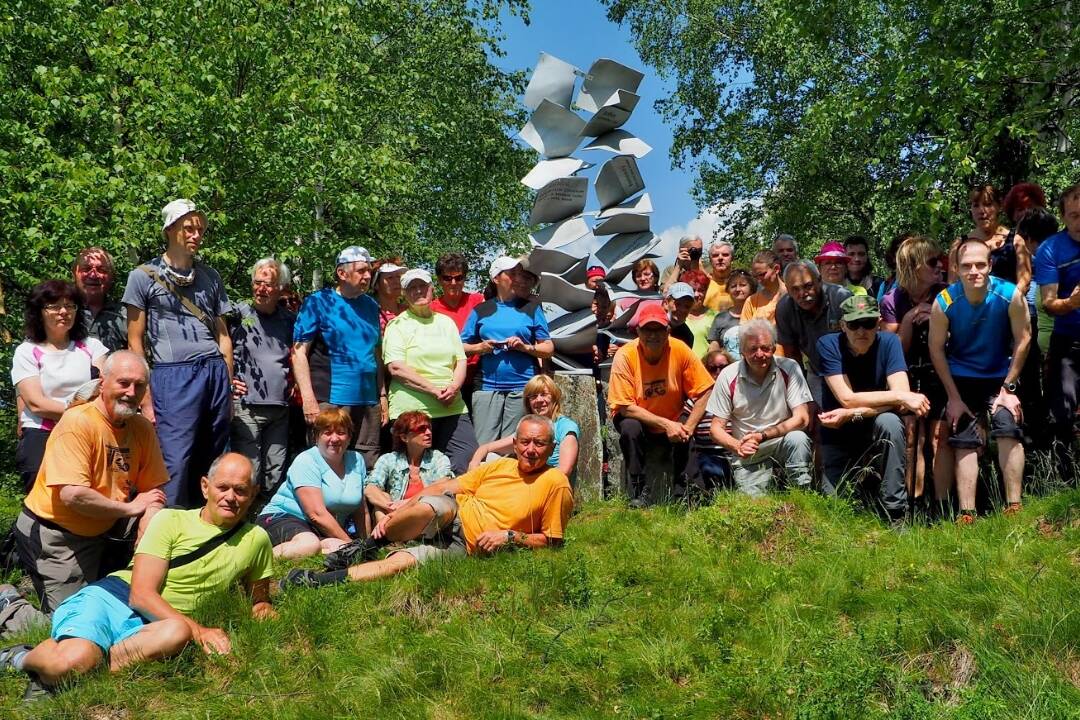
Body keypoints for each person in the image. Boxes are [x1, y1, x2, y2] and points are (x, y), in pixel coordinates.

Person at [1, 453, 274, 697]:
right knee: (73, 662)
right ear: (205, 487)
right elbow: (141, 595)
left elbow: (259, 600)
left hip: (159, 626)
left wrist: (265, 612)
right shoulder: (171, 521)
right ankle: (19, 657)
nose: (230, 497)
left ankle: (80, 666)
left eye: (240, 490)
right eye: (222, 487)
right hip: (114, 598)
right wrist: (201, 632)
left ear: (252, 494)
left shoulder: (257, 539)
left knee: (178, 632)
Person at [282, 415, 573, 587]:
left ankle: (314, 581)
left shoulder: (555, 483)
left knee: (401, 564)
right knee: (430, 504)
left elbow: (553, 541)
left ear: (551, 447)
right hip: (454, 514)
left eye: (539, 443)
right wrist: (403, 510)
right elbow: (447, 486)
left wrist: (510, 536)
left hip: (469, 544)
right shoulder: (502, 465)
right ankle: (367, 547)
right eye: (525, 442)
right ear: (515, 442)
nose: (530, 450)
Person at [14, 351, 167, 612]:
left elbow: (154, 489)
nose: (131, 392)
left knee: (165, 522)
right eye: (123, 383)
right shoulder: (78, 422)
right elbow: (74, 496)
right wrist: (132, 508)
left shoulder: (141, 427)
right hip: (57, 534)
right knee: (68, 620)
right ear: (102, 383)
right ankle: (8, 604)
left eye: (139, 385)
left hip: (105, 527)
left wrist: (147, 525)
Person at [123, 198, 233, 507]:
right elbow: (135, 340)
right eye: (189, 228)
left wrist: (227, 385)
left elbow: (223, 336)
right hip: (173, 374)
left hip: (213, 371)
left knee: (213, 455)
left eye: (200, 229)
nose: (196, 235)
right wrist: (145, 399)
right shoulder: (142, 276)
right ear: (170, 229)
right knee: (175, 458)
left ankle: (207, 529)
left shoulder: (210, 276)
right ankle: (163, 536)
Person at [930, 238, 1030, 521]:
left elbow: (1024, 338)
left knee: (1007, 423)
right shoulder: (945, 301)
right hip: (960, 376)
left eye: (980, 264)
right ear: (956, 269)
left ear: (990, 265)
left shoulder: (1009, 295)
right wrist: (953, 397)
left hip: (1000, 375)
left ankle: (1013, 505)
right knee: (962, 433)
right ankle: (967, 512)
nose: (974, 271)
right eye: (966, 266)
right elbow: (935, 349)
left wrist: (1009, 388)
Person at [816, 295, 930, 523]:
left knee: (890, 422)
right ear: (842, 326)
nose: (861, 331)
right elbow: (847, 398)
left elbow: (896, 405)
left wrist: (854, 412)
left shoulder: (890, 342)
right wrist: (898, 395)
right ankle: (865, 491)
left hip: (874, 426)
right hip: (837, 430)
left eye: (868, 323)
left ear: (878, 322)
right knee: (836, 507)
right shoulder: (827, 345)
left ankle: (895, 511)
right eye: (854, 324)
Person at [608, 303, 715, 507]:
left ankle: (689, 495)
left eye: (659, 329)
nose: (653, 335)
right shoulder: (625, 355)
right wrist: (666, 425)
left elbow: (706, 390)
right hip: (636, 417)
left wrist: (688, 427)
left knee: (685, 433)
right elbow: (624, 406)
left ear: (668, 331)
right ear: (638, 331)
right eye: (648, 329)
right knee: (630, 428)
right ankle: (639, 492)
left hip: (673, 414)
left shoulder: (680, 349)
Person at [12, 280, 108, 493]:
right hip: (41, 433)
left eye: (70, 305)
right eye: (55, 306)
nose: (64, 311)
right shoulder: (26, 352)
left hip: (88, 431)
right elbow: (36, 404)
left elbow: (104, 388)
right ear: (40, 312)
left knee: (89, 491)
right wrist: (78, 411)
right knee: (42, 495)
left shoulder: (92, 347)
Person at [293, 245, 384, 469]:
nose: (367, 276)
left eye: (369, 271)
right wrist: (309, 400)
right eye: (361, 270)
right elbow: (298, 352)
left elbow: (376, 353)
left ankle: (362, 504)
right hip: (330, 399)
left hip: (367, 401)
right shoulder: (318, 302)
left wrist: (382, 396)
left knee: (367, 463)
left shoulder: (371, 306)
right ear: (342, 273)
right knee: (325, 462)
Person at [384, 268, 478, 474]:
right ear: (404, 294)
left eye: (422, 286)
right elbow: (396, 367)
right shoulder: (397, 325)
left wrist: (454, 387)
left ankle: (454, 504)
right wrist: (435, 391)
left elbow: (460, 360)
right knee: (413, 469)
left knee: (467, 458)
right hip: (412, 408)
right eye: (412, 288)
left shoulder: (446, 323)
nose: (418, 291)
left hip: (452, 406)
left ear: (431, 289)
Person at [879, 237, 951, 507]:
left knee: (937, 437)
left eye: (940, 260)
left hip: (941, 373)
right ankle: (912, 502)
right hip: (906, 375)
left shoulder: (947, 294)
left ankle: (941, 503)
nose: (939, 266)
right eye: (932, 262)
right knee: (911, 438)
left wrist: (936, 316)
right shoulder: (892, 300)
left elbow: (957, 338)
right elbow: (893, 350)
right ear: (913, 266)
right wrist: (909, 319)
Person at [707, 320, 814, 496]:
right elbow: (715, 428)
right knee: (754, 509)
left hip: (781, 442)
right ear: (742, 351)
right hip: (749, 453)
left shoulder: (789, 368)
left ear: (773, 348)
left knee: (798, 438)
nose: (760, 354)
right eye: (752, 349)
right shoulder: (728, 376)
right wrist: (737, 446)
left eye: (765, 348)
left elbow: (802, 418)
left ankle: (803, 494)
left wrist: (762, 436)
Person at [461, 257, 553, 446]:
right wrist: (481, 347)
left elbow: (548, 348)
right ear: (496, 278)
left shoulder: (531, 308)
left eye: (518, 274)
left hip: (523, 388)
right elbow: (461, 347)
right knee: (484, 444)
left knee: (514, 445)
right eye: (511, 274)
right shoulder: (481, 310)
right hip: (486, 387)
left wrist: (525, 347)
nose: (517, 278)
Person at [256, 408, 366, 559]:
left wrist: (365, 543)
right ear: (316, 437)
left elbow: (360, 509)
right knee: (309, 545)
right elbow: (316, 514)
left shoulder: (356, 460)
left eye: (341, 432)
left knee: (337, 547)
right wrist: (352, 545)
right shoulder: (306, 460)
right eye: (327, 433)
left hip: (315, 529)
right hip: (283, 517)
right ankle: (257, 557)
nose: (334, 438)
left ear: (349, 437)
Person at [229, 258, 295, 497]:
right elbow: (219, 348)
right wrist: (228, 381)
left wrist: (295, 382)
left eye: (268, 284)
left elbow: (297, 355)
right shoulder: (237, 314)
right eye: (257, 283)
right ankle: (242, 521)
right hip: (246, 406)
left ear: (281, 288)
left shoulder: (289, 320)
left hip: (280, 408)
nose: (261, 289)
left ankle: (267, 520)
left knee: (275, 469)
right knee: (249, 469)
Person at [1035, 182, 1080, 483]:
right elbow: (1049, 304)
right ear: (1064, 216)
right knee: (1062, 411)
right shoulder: (1050, 249)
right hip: (1069, 339)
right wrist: (1073, 302)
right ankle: (1066, 482)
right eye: (1075, 214)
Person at [469, 374, 580, 478]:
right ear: (528, 402)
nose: (539, 400)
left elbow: (564, 471)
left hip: (549, 483)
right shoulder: (529, 427)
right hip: (525, 479)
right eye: (534, 396)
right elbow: (486, 448)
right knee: (489, 459)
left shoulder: (566, 427)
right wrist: (474, 463)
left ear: (554, 397)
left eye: (544, 395)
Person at [775, 260, 852, 406]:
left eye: (808, 286)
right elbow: (792, 355)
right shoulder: (784, 309)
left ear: (819, 280)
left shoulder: (842, 298)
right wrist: (804, 395)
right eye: (795, 289)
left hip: (850, 369)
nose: (803, 294)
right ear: (787, 289)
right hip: (816, 372)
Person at [365, 411, 454, 527]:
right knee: (381, 500)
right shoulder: (389, 459)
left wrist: (406, 504)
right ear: (404, 437)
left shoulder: (438, 458)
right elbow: (370, 489)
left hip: (425, 516)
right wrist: (391, 507)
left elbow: (444, 486)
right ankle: (387, 536)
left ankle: (387, 537)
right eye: (421, 429)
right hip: (396, 517)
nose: (428, 433)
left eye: (429, 428)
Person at [431, 253, 485, 409]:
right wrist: (476, 348)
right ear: (440, 279)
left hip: (477, 378)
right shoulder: (431, 308)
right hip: (445, 380)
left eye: (458, 278)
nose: (453, 283)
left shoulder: (477, 301)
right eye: (447, 278)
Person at [686, 350, 731, 491]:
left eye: (723, 367)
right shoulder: (696, 400)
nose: (718, 372)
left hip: (736, 456)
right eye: (712, 368)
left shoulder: (740, 394)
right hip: (707, 457)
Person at [73, 247, 127, 351]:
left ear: (111, 276)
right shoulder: (59, 312)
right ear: (74, 273)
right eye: (86, 269)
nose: (93, 275)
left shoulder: (124, 316)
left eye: (101, 270)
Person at [707, 269, 757, 362]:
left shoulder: (759, 314)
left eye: (742, 285)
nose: (738, 289)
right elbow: (714, 345)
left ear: (751, 288)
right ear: (728, 290)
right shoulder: (720, 318)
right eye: (733, 286)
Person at [678, 269, 717, 357]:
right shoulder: (677, 316)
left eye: (701, 290)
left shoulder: (716, 317)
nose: (696, 294)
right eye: (692, 290)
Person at [741, 250, 787, 325]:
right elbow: (744, 333)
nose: (759, 280)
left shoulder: (793, 295)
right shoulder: (751, 302)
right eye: (755, 276)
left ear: (776, 269)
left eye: (762, 274)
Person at [372, 257, 406, 332]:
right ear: (376, 285)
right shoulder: (371, 316)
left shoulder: (410, 311)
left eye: (398, 276)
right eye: (390, 278)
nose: (397, 281)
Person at [663, 283, 697, 349]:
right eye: (678, 304)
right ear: (666, 303)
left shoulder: (687, 335)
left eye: (687, 306)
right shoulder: (654, 325)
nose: (682, 310)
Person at [703, 241, 734, 312]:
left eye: (725, 255)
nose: (720, 258)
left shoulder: (743, 284)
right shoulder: (703, 285)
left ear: (732, 258)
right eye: (715, 255)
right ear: (710, 260)